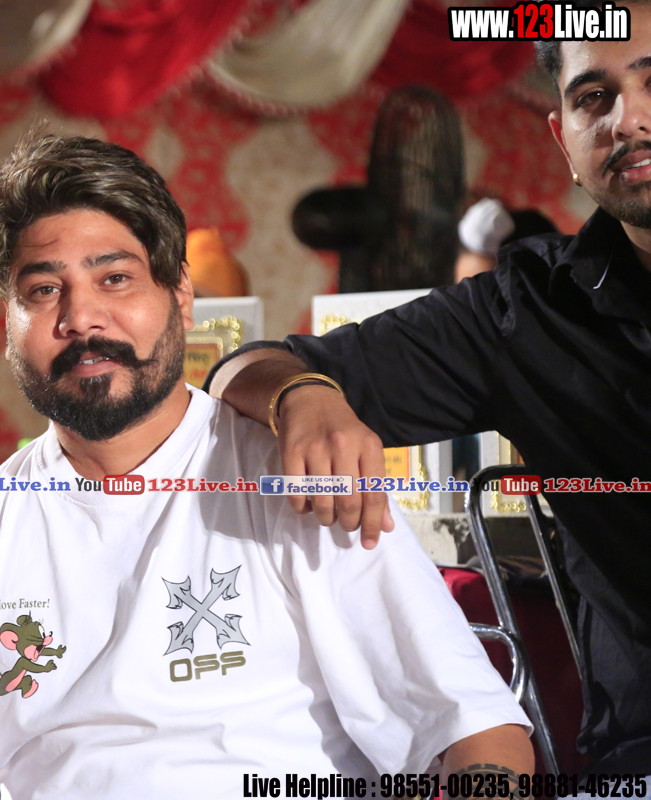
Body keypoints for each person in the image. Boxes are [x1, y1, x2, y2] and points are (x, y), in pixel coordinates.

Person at [0, 134, 533, 800]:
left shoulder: (294, 480)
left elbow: (477, 734)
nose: (82, 317)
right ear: (9, 321)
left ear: (180, 293)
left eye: (114, 279)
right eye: (44, 290)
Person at [206, 0, 651, 773]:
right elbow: (245, 367)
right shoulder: (529, 312)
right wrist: (301, 396)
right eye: (593, 96)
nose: (628, 120)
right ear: (565, 141)